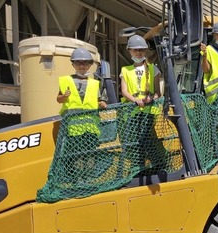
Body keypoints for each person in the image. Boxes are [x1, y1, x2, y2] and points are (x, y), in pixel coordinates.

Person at [56, 47, 108, 182]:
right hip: (73, 127)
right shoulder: (66, 81)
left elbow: (97, 101)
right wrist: (64, 96)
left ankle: (89, 178)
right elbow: (58, 99)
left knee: (90, 154)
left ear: (90, 64)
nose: (82, 66)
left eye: (85, 63)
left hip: (91, 127)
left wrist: (101, 104)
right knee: (74, 154)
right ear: (72, 64)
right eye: (78, 63)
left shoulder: (95, 83)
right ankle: (75, 179)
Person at [119, 34, 166, 176]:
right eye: (135, 50)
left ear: (145, 51)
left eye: (141, 50)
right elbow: (124, 91)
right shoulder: (125, 70)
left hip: (148, 111)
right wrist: (135, 101)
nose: (138, 53)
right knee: (134, 142)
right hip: (132, 112)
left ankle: (158, 165)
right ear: (129, 51)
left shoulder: (153, 69)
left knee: (148, 139)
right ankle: (138, 168)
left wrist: (151, 98)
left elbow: (158, 92)